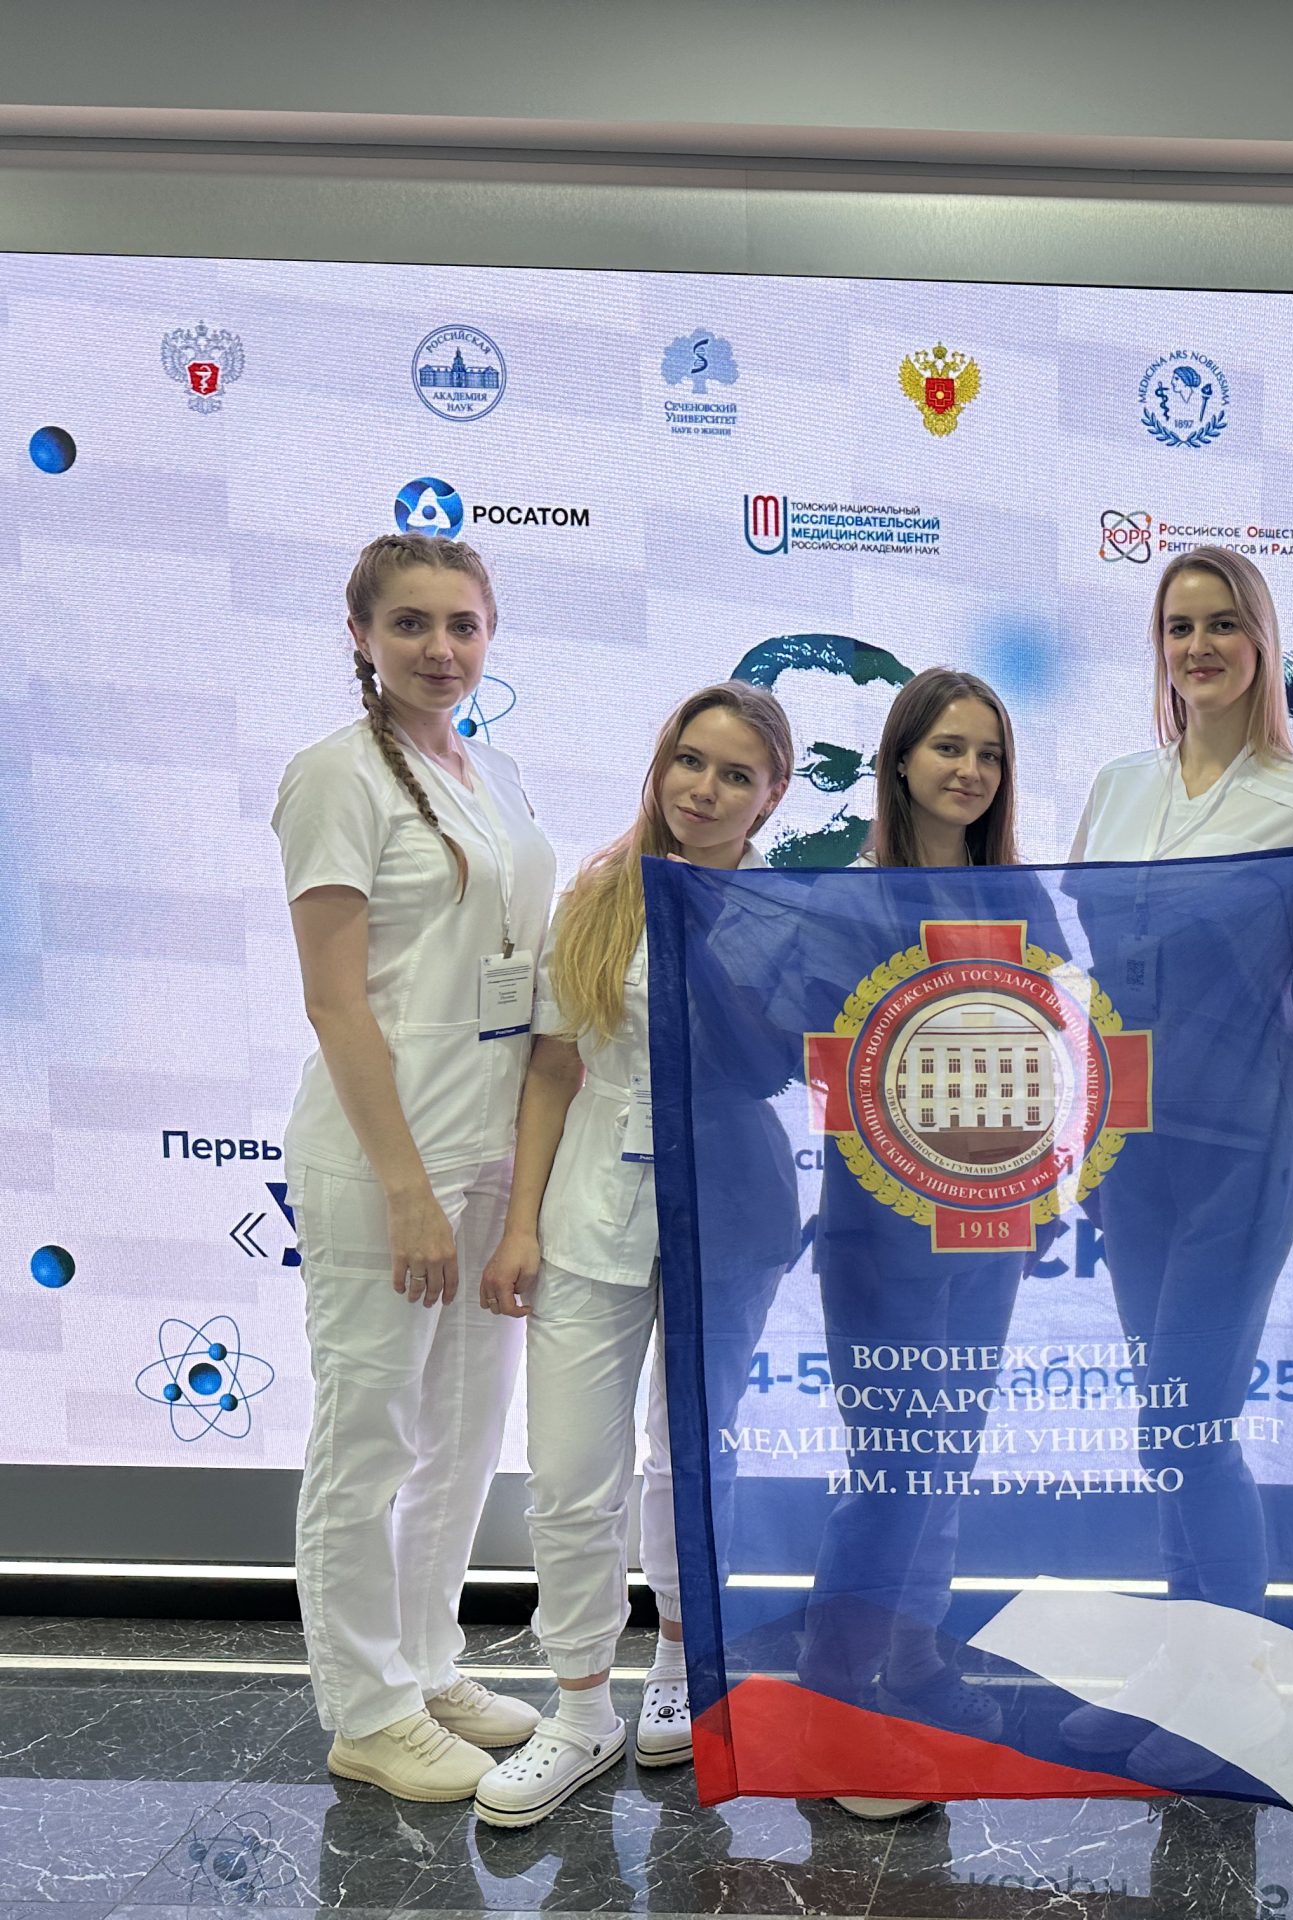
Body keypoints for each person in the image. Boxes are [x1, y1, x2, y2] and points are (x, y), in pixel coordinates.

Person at [468, 682, 798, 1828]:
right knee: (569, 1468)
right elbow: (553, 1066)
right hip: (589, 1205)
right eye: (689, 761)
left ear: (771, 797)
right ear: (661, 765)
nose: (704, 788)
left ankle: (678, 1667)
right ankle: (577, 1709)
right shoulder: (600, 891)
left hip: (732, 1204)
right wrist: (519, 1223)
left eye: (735, 774)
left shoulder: (784, 911)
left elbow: (781, 1065)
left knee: (691, 1457)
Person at [1059, 547, 1293, 1770]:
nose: (1200, 647)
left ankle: (1231, 1691)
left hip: (1243, 1145)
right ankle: (1186, 1661)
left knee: (1193, 1421)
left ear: (1260, 642)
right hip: (1135, 1151)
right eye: (1180, 626)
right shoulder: (1117, 788)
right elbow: (1090, 973)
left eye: (1224, 624)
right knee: (1162, 1421)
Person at [275, 534, 554, 1801]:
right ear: (361, 636)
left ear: (490, 634)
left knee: (461, 1434)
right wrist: (405, 1191)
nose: (440, 650)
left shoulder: (492, 773)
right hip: (385, 1162)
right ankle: (367, 1707)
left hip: (489, 1151)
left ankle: (428, 1662)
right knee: (370, 1435)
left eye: (462, 625)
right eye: (410, 625)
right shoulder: (334, 777)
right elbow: (336, 1003)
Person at [803, 667, 1034, 1821]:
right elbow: (824, 1060)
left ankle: (913, 1657)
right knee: (895, 1465)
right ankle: (832, 1710)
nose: (969, 771)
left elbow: (1054, 1050)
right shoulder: (849, 899)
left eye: (988, 754)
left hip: (988, 1225)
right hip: (882, 1230)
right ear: (898, 759)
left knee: (945, 1460)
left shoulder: (1019, 900)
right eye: (948, 747)